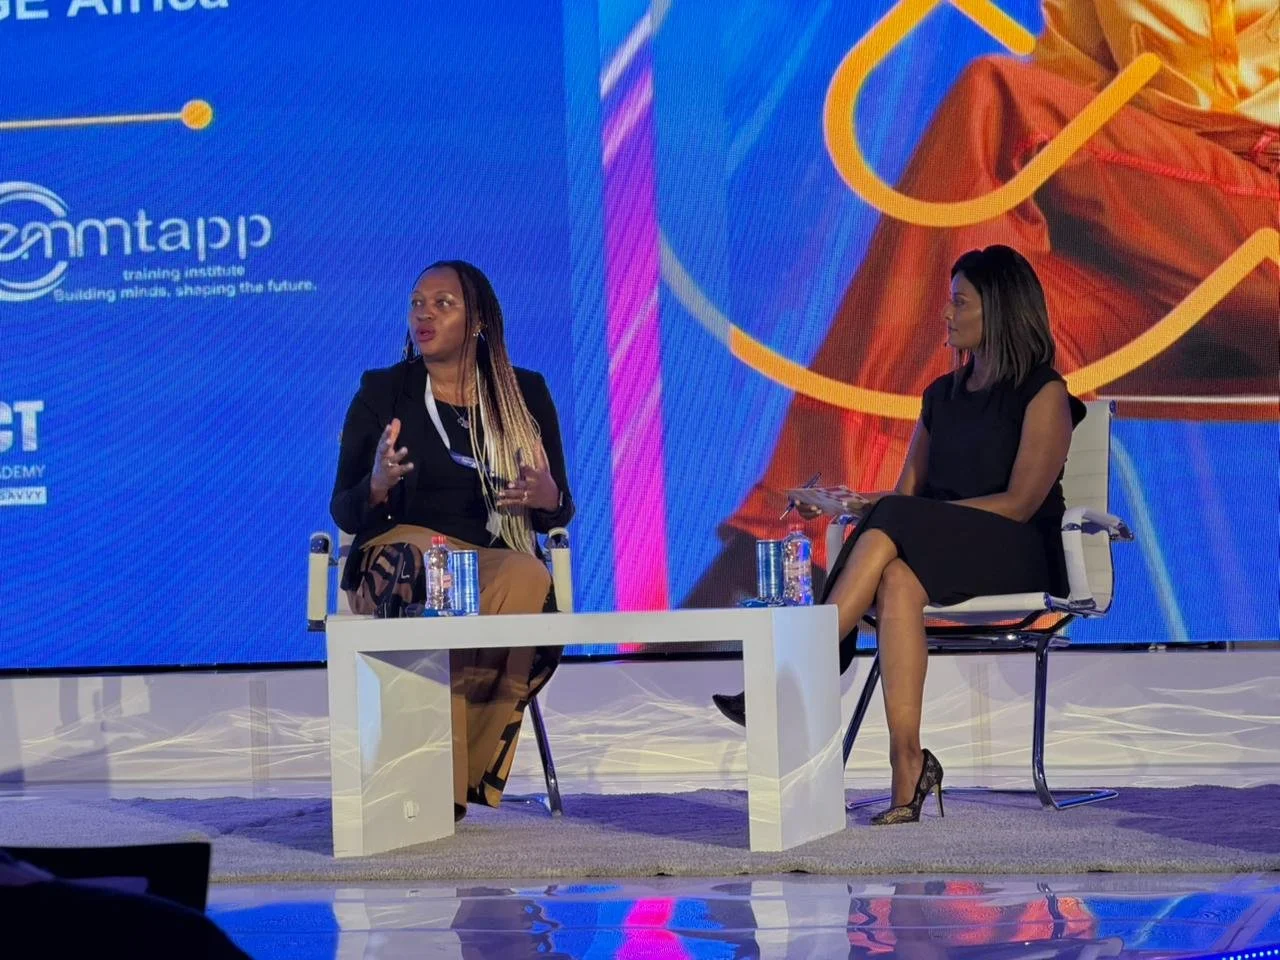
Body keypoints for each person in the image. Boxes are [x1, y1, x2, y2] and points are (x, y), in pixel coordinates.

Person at [689, 0, 1278, 606]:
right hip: (1183, 240)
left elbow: (1183, 90)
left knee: (998, 106)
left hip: (1257, 218)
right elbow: (1076, 79)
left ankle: (796, 554)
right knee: (991, 321)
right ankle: (835, 567)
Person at [713, 246, 1087, 825]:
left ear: (999, 311)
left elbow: (1019, 503)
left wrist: (894, 511)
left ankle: (790, 675)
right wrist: (852, 502)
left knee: (896, 523)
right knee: (894, 576)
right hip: (941, 550)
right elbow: (906, 498)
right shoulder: (941, 396)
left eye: (959, 301)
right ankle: (906, 765)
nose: (945, 313)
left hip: (1018, 551)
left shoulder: (1044, 393)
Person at [331, 260, 574, 820]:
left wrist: (544, 497)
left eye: (443, 303)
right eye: (418, 301)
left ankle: (451, 778)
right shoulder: (383, 392)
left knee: (527, 576)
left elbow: (557, 509)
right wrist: (376, 484)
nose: (424, 313)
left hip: (489, 563)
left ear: (479, 320)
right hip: (399, 555)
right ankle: (429, 769)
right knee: (431, 568)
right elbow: (342, 505)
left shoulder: (526, 394)